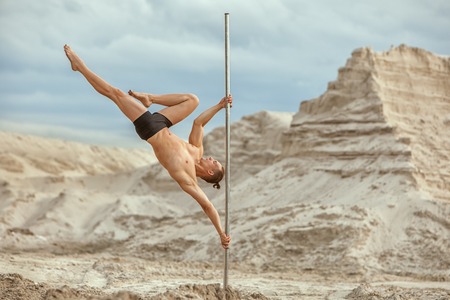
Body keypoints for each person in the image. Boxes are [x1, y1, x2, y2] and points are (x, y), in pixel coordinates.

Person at [64, 45, 231, 249]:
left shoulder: (188, 181)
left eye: (215, 162)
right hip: (163, 123)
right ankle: (150, 98)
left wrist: (221, 232)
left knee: (114, 93)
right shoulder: (197, 151)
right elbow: (199, 123)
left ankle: (79, 66)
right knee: (192, 100)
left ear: (209, 171)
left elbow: (207, 206)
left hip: (150, 130)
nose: (212, 158)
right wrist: (219, 106)